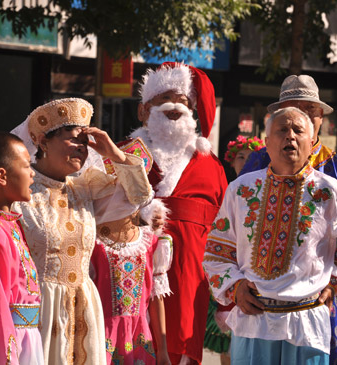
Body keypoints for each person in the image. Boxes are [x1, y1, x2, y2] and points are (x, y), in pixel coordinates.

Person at [203, 107, 337, 364]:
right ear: (267, 143)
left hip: (306, 323)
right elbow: (216, 252)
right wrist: (235, 288)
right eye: (282, 130)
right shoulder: (241, 190)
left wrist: (334, 283)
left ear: (312, 141)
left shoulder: (329, 192)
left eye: (298, 130)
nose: (290, 137)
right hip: (252, 322)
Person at [11, 98, 153, 364]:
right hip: (37, 306)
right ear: (43, 141)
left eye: (85, 143)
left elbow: (139, 196)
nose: (81, 149)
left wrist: (114, 154)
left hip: (84, 304)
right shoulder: (21, 191)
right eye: (74, 140)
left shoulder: (86, 187)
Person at [239, 75, 337, 364]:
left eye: (308, 111)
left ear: (320, 117)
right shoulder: (258, 162)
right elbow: (232, 230)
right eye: (291, 111)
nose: (299, 120)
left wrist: (336, 283)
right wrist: (234, 286)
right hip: (258, 302)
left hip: (316, 296)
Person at [133, 62, 228, 364]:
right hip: (130, 284)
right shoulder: (123, 157)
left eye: (182, 102)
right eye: (163, 100)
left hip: (188, 290)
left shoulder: (212, 167)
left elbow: (229, 233)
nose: (174, 107)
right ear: (143, 111)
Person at [204, 135, 265, 365]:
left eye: (252, 157)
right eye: (241, 157)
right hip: (229, 265)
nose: (246, 161)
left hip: (252, 267)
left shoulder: (262, 189)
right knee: (228, 335)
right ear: (231, 161)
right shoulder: (227, 188)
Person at [91, 203, 173, 364]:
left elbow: (156, 299)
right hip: (101, 337)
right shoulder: (95, 242)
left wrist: (163, 351)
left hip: (139, 338)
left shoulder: (150, 242)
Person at [0, 132, 43, 364]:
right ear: (2, 175)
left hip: (29, 339)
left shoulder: (10, 224)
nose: (32, 174)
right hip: (12, 343)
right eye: (26, 165)